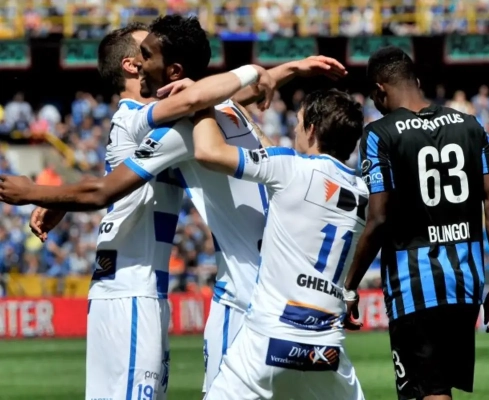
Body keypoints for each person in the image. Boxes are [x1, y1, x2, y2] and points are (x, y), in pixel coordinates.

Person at [0, 15, 347, 397]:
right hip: (199, 293)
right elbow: (107, 186)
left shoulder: (208, 114)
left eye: (150, 52)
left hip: (251, 297)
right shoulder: (180, 120)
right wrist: (45, 193)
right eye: (142, 51)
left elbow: (221, 96)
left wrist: (286, 70)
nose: (143, 59)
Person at [343, 46, 489, 400]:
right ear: (416, 81)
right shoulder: (471, 125)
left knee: (428, 392)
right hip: (466, 281)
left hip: (415, 283)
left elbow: (378, 217)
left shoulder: (378, 134)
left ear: (379, 90)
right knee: (432, 389)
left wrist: (350, 285)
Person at [191, 89, 366, 400]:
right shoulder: (363, 193)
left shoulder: (289, 168)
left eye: (299, 122)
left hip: (266, 343)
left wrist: (201, 102)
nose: (294, 129)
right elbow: (295, 172)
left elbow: (207, 152)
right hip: (326, 351)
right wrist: (251, 123)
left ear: (312, 130)